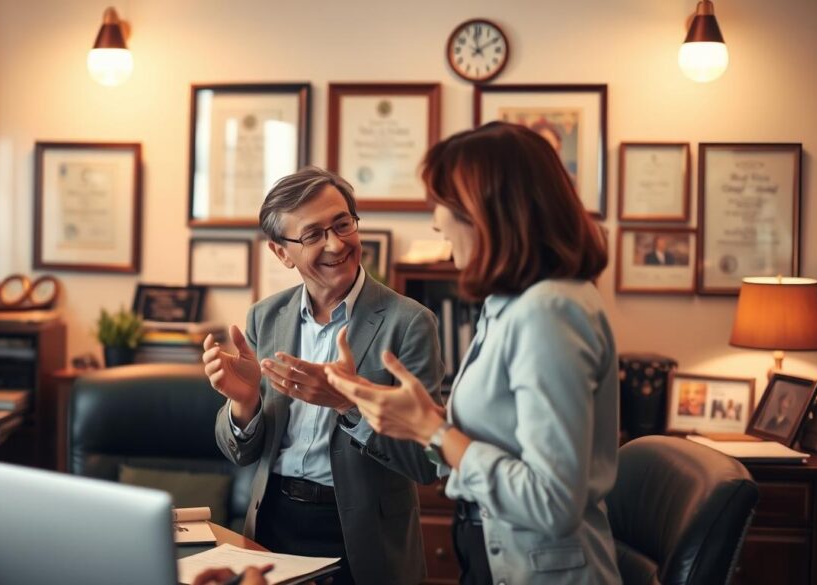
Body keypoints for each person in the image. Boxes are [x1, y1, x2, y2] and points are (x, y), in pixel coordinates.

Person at [326, 122, 622, 584]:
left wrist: (433, 428)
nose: (435, 220)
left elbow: (552, 503)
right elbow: (487, 438)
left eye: (443, 202)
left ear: (488, 212)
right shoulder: (509, 304)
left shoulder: (549, 312)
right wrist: (380, 406)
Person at [203, 166, 443, 584]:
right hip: (274, 523)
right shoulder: (266, 316)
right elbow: (241, 453)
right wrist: (245, 403)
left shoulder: (410, 322)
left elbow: (426, 463)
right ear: (281, 252)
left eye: (343, 224)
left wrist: (349, 406)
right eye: (313, 235)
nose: (336, 244)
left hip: (363, 536)